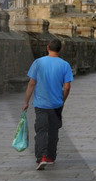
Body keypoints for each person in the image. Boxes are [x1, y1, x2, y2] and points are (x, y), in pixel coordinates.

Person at [23, 37, 74, 170]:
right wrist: (62, 100)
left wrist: (26, 101)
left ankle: (41, 157)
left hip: (40, 104)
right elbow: (67, 87)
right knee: (53, 131)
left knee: (41, 131)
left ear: (47, 47)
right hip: (56, 104)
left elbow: (31, 83)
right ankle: (51, 156)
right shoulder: (65, 65)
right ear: (61, 49)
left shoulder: (38, 62)